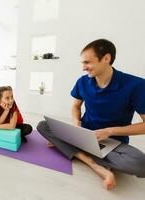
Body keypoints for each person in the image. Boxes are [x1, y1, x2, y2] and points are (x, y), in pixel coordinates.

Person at [37, 39, 145, 189]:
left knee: (140, 163)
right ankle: (95, 165)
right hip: (83, 134)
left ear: (106, 58)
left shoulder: (137, 85)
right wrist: (76, 124)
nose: (83, 68)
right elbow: (75, 107)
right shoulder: (82, 82)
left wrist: (109, 131)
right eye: (82, 63)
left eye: (87, 62)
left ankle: (69, 148)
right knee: (43, 125)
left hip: (112, 143)